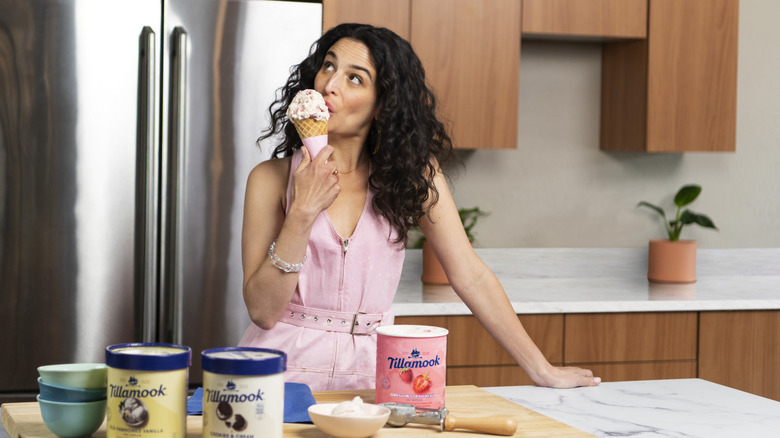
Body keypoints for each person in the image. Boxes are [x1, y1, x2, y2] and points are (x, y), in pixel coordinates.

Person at [239, 23, 600, 391]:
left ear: (382, 105)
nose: (329, 84)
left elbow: (471, 275)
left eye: (355, 79)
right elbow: (263, 312)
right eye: (328, 66)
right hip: (279, 379)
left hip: (373, 380)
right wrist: (302, 211)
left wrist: (542, 370)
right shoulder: (269, 180)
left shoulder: (412, 177)